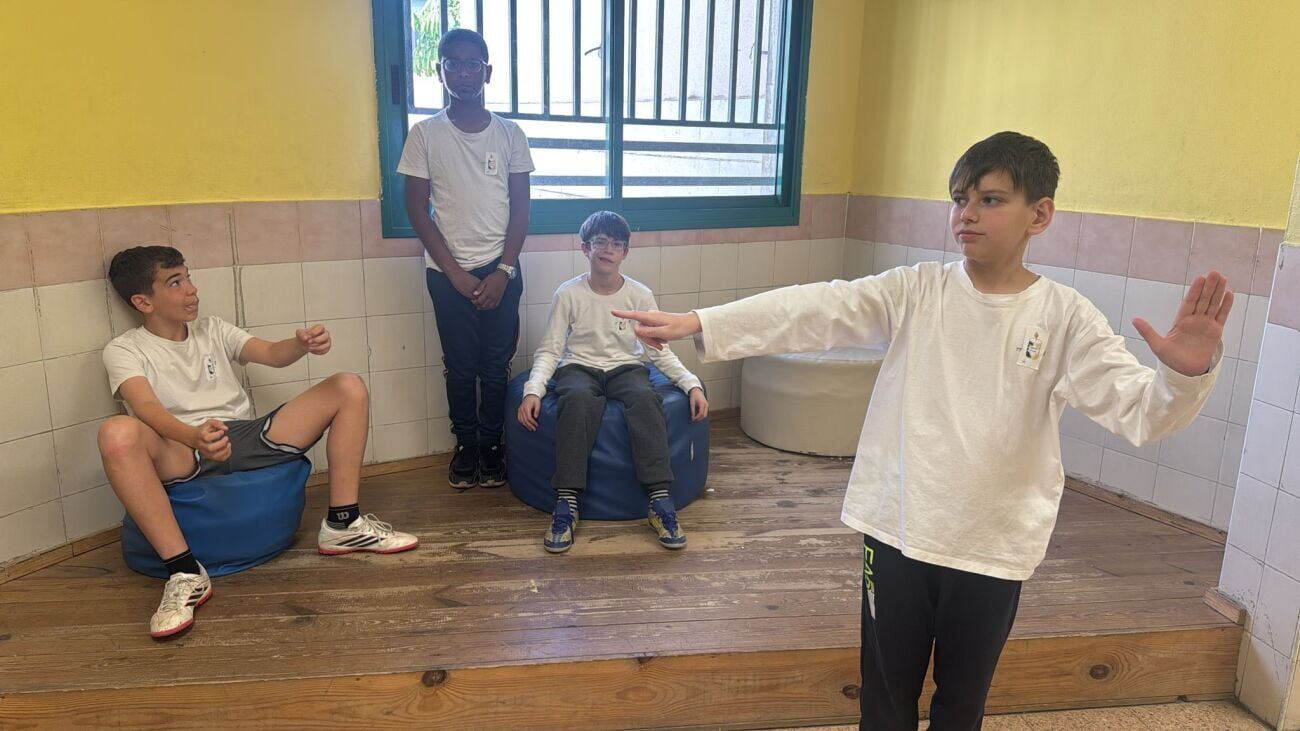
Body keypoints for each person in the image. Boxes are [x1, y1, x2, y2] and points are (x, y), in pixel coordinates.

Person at [615, 132, 1232, 729]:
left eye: (990, 199)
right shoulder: (917, 290)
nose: (967, 214)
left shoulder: (1066, 317)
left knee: (962, 702)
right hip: (898, 528)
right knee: (885, 696)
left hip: (992, 545)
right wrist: (702, 321)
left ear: (1039, 214)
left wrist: (1183, 375)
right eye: (960, 199)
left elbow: (1140, 411)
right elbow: (817, 307)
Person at [99, 246, 418, 639]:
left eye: (188, 277)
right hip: (181, 447)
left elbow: (270, 353)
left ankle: (343, 524)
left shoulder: (213, 329)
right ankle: (185, 572)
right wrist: (193, 436)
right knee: (116, 432)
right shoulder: (124, 349)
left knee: (348, 386)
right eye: (176, 282)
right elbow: (145, 407)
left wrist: (301, 344)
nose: (192, 289)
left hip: (244, 435)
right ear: (143, 302)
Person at [518, 211, 709, 553]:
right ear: (585, 248)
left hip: (625, 368)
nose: (607, 249)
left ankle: (659, 499)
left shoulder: (639, 294)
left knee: (645, 398)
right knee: (576, 399)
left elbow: (658, 350)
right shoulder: (568, 294)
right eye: (600, 242)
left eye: (616, 244)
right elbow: (550, 350)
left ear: (625, 253)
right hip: (579, 367)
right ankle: (567, 501)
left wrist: (690, 384)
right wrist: (533, 391)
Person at [399, 27, 534, 490]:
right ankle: (467, 446)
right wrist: (454, 273)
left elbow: (522, 210)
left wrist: (503, 270)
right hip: (446, 274)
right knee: (459, 367)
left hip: (502, 270)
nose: (462, 72)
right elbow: (417, 210)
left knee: (495, 367)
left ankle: (493, 446)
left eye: (472, 63)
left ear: (487, 72)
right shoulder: (424, 135)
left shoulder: (510, 134)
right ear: (439, 71)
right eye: (452, 64)